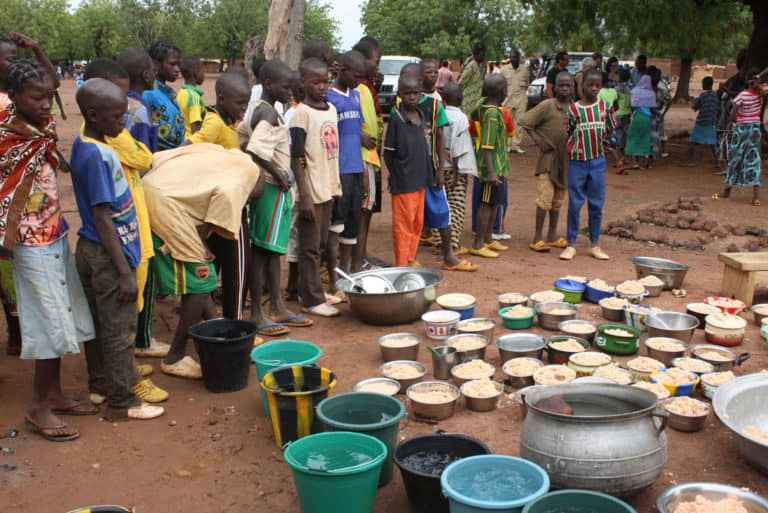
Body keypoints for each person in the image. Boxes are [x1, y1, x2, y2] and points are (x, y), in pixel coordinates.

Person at [0, 60, 96, 440]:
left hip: (53, 232)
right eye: (36, 97)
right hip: (27, 240)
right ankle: (38, 408)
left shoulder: (42, 128)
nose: (45, 104)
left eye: (49, 96)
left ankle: (54, 394)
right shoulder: (7, 136)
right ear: (13, 96)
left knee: (61, 311)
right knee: (46, 319)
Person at [71, 78, 165, 420]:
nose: (123, 123)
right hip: (108, 252)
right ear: (92, 115)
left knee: (98, 326)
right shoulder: (100, 155)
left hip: (90, 247)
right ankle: (123, 402)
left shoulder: (82, 143)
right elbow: (103, 216)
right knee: (118, 331)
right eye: (115, 117)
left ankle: (100, 386)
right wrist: (125, 271)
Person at [143, 144, 265, 377]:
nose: (247, 203)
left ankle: (222, 337)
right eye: (249, 200)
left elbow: (159, 157)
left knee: (204, 279)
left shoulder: (227, 155)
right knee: (200, 281)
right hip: (165, 207)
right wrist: (201, 244)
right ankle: (175, 356)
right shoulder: (237, 185)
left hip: (149, 188)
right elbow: (216, 219)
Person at [0, 32, 60, 355]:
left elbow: (51, 84)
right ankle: (17, 332)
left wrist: (37, 47)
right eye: (9, 58)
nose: (14, 62)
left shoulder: (37, 109)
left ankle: (20, 332)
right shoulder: (8, 116)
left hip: (40, 221)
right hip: (14, 217)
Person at [239, 59, 308, 334]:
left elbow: (245, 139)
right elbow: (254, 150)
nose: (290, 92)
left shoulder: (265, 109)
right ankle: (257, 312)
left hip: (273, 189)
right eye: (285, 87)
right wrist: (279, 174)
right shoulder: (267, 113)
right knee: (260, 251)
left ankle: (277, 306)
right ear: (268, 84)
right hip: (269, 189)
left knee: (271, 251)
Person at [189, 72, 252, 322]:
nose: (244, 108)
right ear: (223, 99)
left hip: (216, 205)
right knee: (237, 268)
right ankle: (233, 325)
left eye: (246, 103)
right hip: (228, 208)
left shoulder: (227, 122)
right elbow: (193, 144)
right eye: (240, 103)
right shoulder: (215, 123)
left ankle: (210, 325)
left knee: (214, 263)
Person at [290, 58, 342, 317]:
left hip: (328, 186)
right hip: (311, 189)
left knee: (320, 242)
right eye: (316, 82)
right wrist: (305, 195)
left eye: (326, 81)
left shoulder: (331, 109)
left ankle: (312, 290)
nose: (322, 86)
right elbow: (297, 158)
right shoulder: (302, 113)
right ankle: (311, 300)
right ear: (303, 83)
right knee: (309, 247)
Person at [560, 68, 616, 261]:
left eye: (597, 85)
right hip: (578, 162)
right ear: (582, 85)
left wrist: (603, 142)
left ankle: (594, 244)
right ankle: (571, 244)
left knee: (596, 204)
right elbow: (569, 132)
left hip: (598, 161)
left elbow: (610, 130)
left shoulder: (606, 108)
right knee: (575, 204)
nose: (593, 88)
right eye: (590, 85)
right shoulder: (573, 110)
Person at [325, 51, 366, 296]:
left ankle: (346, 275)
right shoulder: (329, 98)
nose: (359, 80)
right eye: (356, 76)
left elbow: (355, 129)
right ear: (343, 70)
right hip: (338, 171)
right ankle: (333, 280)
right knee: (335, 226)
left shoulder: (356, 95)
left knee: (352, 226)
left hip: (356, 169)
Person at [519, 71, 573, 252]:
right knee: (545, 198)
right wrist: (537, 140)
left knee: (558, 199)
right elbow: (525, 121)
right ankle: (537, 237)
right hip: (548, 159)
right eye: (561, 85)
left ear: (573, 87)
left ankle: (552, 235)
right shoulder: (547, 106)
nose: (564, 88)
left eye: (567, 85)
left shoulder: (575, 108)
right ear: (554, 87)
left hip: (566, 161)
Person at [383, 74, 432, 267]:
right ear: (400, 95)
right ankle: (402, 265)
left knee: (417, 222)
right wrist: (397, 173)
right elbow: (389, 153)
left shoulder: (421, 114)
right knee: (403, 226)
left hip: (420, 179)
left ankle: (411, 259)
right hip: (404, 181)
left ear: (421, 94)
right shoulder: (397, 119)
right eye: (407, 93)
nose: (411, 97)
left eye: (415, 93)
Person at [351, 37, 383, 272]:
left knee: (367, 210)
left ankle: (360, 257)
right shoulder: (356, 91)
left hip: (370, 157)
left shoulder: (367, 89)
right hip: (362, 158)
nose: (378, 67)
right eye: (376, 61)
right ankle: (357, 262)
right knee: (362, 211)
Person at [470, 74, 510, 258]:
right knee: (486, 204)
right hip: (491, 167)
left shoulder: (484, 107)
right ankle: (478, 243)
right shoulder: (492, 114)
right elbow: (487, 146)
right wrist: (491, 173)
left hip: (498, 166)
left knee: (494, 203)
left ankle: (488, 238)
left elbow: (473, 113)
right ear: (502, 91)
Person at [441, 83, 478, 255]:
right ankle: (453, 244)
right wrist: (456, 172)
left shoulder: (440, 114)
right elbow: (458, 147)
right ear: (460, 99)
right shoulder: (461, 118)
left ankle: (439, 243)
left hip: (440, 169)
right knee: (456, 206)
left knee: (442, 206)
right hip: (455, 169)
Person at [720, 69, 764, 205]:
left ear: (746, 80)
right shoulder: (761, 93)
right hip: (755, 130)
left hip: (742, 130)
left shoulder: (742, 95)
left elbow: (733, 116)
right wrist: (760, 78)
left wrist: (738, 119)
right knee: (754, 158)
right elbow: (762, 86)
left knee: (735, 157)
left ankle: (726, 192)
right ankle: (756, 197)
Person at [143, 40, 184, 150]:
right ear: (156, 64)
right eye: (172, 64)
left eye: (178, 65)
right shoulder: (148, 93)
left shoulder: (168, 92)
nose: (177, 69)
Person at [116, 49, 159, 153]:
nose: (155, 75)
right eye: (153, 71)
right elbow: (143, 151)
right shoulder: (140, 111)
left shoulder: (115, 101)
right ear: (146, 75)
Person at [682, 76, 719, 167]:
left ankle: (690, 161)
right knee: (712, 143)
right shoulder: (715, 96)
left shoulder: (703, 95)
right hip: (711, 122)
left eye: (703, 83)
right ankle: (717, 162)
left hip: (701, 121)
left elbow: (694, 107)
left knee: (693, 141)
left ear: (705, 84)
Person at [624, 74, 656, 170]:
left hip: (637, 116)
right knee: (644, 138)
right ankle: (642, 162)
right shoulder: (651, 93)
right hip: (647, 118)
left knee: (633, 137)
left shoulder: (634, 91)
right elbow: (653, 108)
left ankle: (634, 161)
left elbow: (632, 106)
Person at [500, 50, 529, 153]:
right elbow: (501, 84)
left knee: (519, 122)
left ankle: (516, 145)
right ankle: (507, 144)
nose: (514, 59)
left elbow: (527, 84)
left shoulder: (524, 70)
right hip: (508, 99)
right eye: (512, 57)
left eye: (516, 57)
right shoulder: (504, 70)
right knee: (507, 121)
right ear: (510, 58)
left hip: (521, 99)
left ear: (519, 58)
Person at [177, 56, 206, 137]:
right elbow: (195, 130)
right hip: (192, 141)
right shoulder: (194, 97)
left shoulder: (181, 93)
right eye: (202, 71)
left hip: (183, 138)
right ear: (195, 73)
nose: (204, 75)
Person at [649, 66, 671, 160]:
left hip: (651, 115)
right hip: (659, 114)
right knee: (661, 133)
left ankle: (652, 153)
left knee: (652, 134)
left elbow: (650, 107)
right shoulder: (662, 91)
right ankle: (663, 151)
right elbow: (669, 101)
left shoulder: (649, 92)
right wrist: (663, 113)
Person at [458, 43, 486, 115]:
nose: (483, 56)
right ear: (475, 54)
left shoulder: (480, 66)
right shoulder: (471, 65)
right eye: (482, 54)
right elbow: (461, 83)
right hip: (467, 103)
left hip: (475, 103)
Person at [613, 67, 632, 169]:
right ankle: (623, 157)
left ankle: (619, 159)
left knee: (617, 136)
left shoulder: (616, 89)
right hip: (627, 115)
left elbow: (615, 103)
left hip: (618, 115)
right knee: (625, 137)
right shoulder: (630, 89)